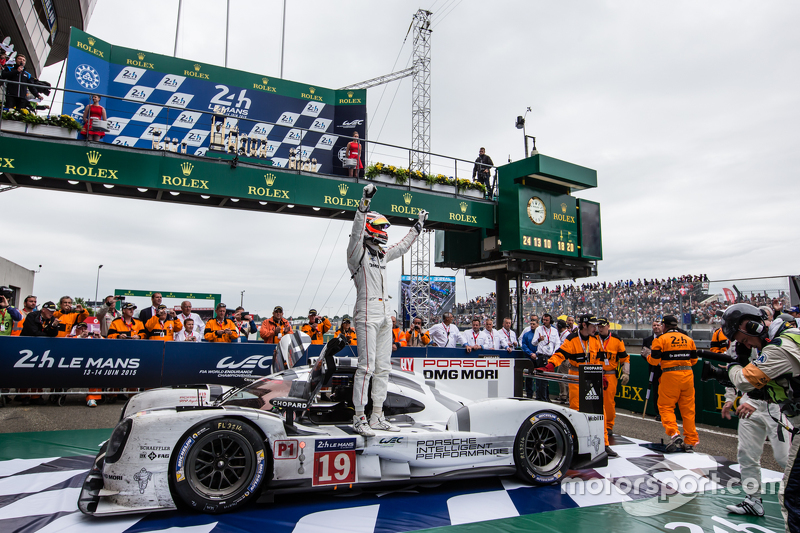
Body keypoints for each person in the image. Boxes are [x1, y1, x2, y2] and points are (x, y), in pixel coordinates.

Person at [347, 183, 426, 436]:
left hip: (384, 316)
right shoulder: (356, 253)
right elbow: (356, 232)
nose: (384, 232)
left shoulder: (381, 254)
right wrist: (363, 204)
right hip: (366, 313)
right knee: (366, 367)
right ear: (370, 227)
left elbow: (402, 247)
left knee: (384, 368)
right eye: (380, 227)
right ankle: (359, 417)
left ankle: (377, 415)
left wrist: (417, 227)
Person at [721, 304, 800, 529]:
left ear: (753, 325)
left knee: (787, 469)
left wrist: (736, 365)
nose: (744, 345)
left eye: (744, 339)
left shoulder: (779, 345)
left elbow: (746, 378)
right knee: (746, 454)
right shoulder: (775, 340)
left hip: (779, 411)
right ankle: (753, 499)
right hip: (764, 403)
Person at [722, 339, 789, 518]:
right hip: (748, 405)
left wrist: (752, 400)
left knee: (785, 457)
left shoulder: (776, 341)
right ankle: (753, 499)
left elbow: (775, 374)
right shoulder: (737, 344)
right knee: (746, 453)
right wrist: (729, 398)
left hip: (776, 404)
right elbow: (733, 368)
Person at [645, 315, 698, 452]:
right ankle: (690, 441)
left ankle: (674, 433)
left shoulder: (660, 340)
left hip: (670, 375)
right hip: (687, 375)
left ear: (664, 326)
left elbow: (654, 361)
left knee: (665, 407)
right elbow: (694, 361)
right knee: (688, 410)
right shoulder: (688, 339)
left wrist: (647, 356)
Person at [596, 317, 629, 446]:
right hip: (594, 372)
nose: (600, 328)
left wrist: (626, 373)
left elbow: (625, 357)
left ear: (608, 326)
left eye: (602, 326)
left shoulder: (616, 339)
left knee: (609, 402)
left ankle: (609, 426)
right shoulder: (593, 338)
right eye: (599, 326)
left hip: (610, 375)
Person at [528, 314, 561, 401]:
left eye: (546, 320)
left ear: (550, 320)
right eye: (543, 320)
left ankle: (546, 397)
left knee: (547, 379)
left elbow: (557, 343)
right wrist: (539, 339)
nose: (544, 322)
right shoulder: (539, 329)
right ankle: (541, 397)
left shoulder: (554, 331)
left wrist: (554, 353)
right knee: (541, 379)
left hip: (550, 356)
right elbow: (533, 343)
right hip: (541, 355)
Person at [642, 319, 663, 421]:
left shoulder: (665, 338)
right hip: (653, 369)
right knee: (655, 391)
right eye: (654, 325)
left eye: (658, 325)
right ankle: (658, 412)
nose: (656, 327)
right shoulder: (647, 340)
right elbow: (643, 353)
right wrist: (649, 356)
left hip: (665, 369)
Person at [555, 319, 571, 403]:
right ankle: (563, 395)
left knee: (564, 377)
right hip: (563, 359)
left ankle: (566, 396)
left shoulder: (566, 335)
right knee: (561, 376)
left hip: (566, 359)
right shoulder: (562, 334)